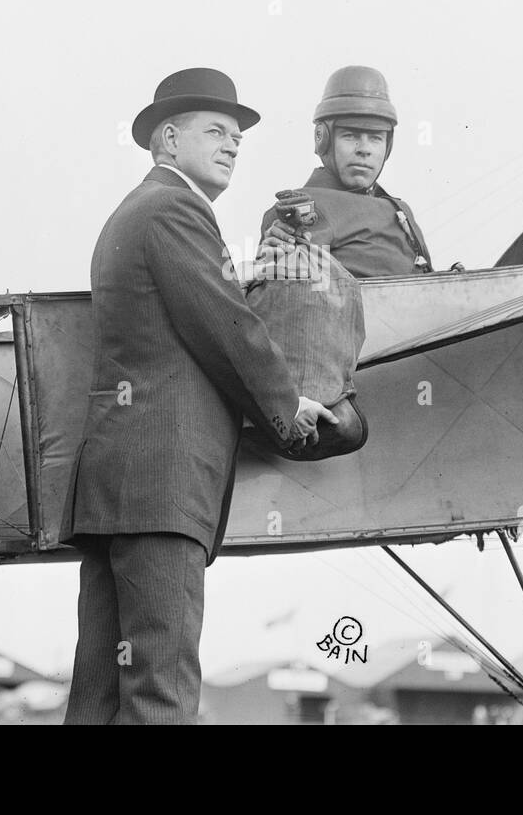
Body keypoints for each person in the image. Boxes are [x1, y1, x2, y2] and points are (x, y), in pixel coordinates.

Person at [60, 67, 336, 724]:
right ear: (167, 140)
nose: (233, 145)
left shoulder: (138, 210)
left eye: (238, 137)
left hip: (118, 490)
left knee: (98, 695)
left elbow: (182, 315)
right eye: (216, 130)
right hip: (163, 486)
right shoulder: (178, 208)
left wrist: (242, 275)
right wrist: (287, 406)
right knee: (162, 691)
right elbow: (223, 324)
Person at [258, 65, 437, 279]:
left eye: (376, 138)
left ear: (388, 146)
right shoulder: (303, 207)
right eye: (351, 135)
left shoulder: (400, 209)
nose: (364, 149)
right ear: (323, 139)